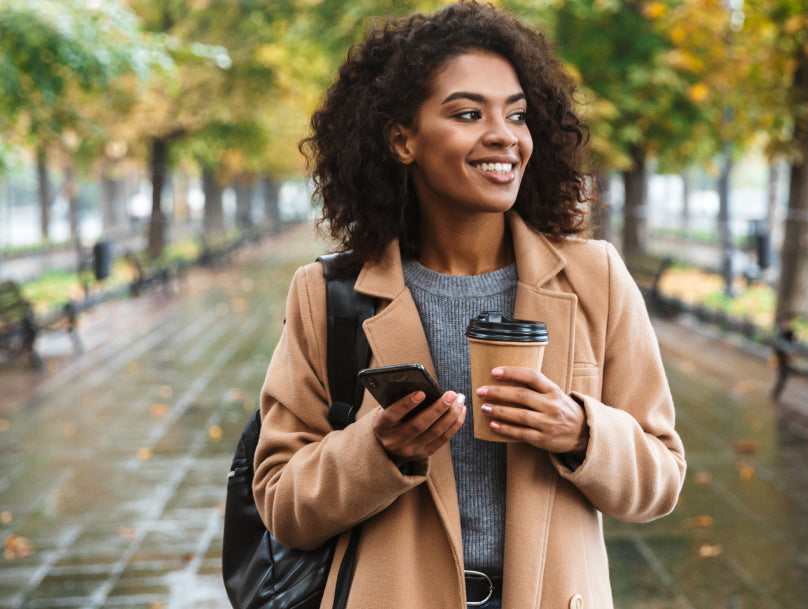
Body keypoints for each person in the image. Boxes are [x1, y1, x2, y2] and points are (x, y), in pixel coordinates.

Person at [252, 2, 686, 607]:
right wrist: (379, 451)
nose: (504, 135)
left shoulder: (596, 278)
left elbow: (661, 479)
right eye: (466, 113)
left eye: (517, 114)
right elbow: (279, 502)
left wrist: (580, 431)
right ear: (402, 139)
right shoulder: (327, 295)